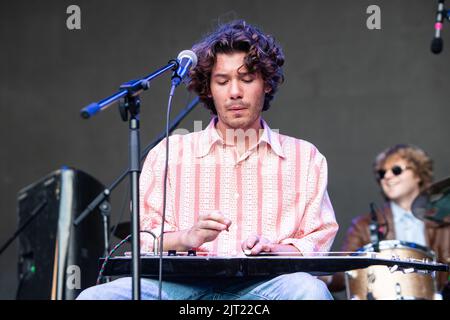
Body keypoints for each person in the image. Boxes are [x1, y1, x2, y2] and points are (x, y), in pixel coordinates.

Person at [77, 20, 338, 300]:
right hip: (178, 288)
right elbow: (143, 237)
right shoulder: (169, 152)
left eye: (247, 79)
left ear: (266, 85)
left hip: (267, 287)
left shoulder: (305, 158)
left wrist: (274, 249)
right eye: (222, 81)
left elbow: (316, 242)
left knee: (308, 291)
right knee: (96, 297)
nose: (234, 91)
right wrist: (186, 237)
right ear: (209, 89)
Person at [327, 144, 449, 296]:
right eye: (382, 173)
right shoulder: (364, 225)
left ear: (418, 174)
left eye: (396, 170)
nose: (387, 176)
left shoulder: (444, 220)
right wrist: (320, 274)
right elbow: (343, 273)